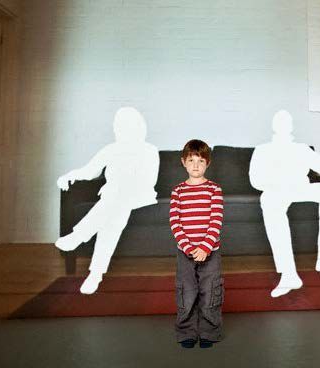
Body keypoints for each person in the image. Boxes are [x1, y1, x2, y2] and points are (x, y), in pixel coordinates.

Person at [249, 110, 320, 298]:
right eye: (279, 121)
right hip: (276, 190)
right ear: (274, 125)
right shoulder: (262, 149)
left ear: (291, 126)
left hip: (301, 188)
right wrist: (277, 183)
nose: (283, 124)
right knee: (268, 200)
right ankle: (288, 273)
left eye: (287, 121)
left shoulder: (302, 148)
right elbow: (255, 180)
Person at [55, 107, 160, 294]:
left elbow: (149, 181)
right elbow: (89, 171)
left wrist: (122, 184)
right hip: (114, 200)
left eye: (125, 126)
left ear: (137, 127)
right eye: (118, 126)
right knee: (112, 219)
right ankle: (95, 274)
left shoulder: (150, 151)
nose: (119, 130)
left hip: (140, 196)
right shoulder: (111, 150)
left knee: (117, 201)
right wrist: (68, 176)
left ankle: (79, 238)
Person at [170, 139, 224, 348]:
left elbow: (216, 220)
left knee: (210, 291)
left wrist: (205, 247)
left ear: (207, 164)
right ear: (183, 162)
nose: (195, 165)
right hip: (186, 253)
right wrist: (189, 247)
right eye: (191, 160)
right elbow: (175, 223)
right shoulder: (178, 191)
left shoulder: (214, 190)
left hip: (210, 252)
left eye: (200, 161)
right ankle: (187, 333)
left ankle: (210, 332)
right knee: (186, 292)